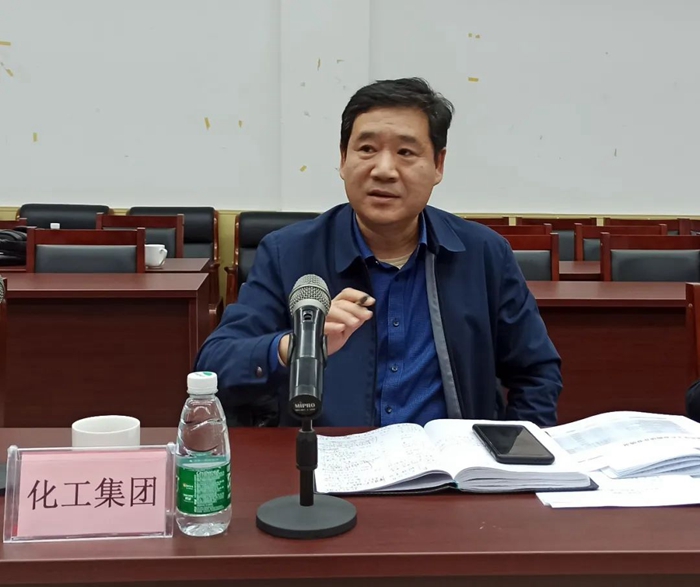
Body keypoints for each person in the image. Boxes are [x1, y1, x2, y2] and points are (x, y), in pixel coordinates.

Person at [196, 77, 562, 427]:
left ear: (438, 165)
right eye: (367, 149)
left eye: (406, 152)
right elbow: (215, 365)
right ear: (343, 159)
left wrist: (512, 454)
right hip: (327, 458)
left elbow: (536, 372)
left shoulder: (483, 254)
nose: (384, 170)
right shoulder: (287, 252)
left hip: (453, 464)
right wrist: (297, 345)